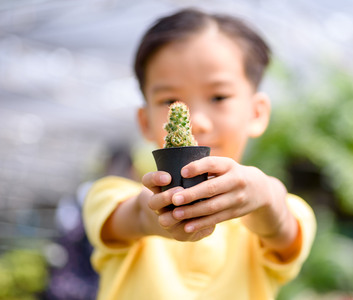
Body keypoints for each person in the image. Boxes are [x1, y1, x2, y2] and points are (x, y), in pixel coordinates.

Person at [83, 8, 316, 300]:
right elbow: (132, 216)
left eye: (219, 97)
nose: (198, 122)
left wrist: (264, 195)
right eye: (169, 100)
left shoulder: (277, 208)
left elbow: (281, 226)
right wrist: (158, 212)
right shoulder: (109, 195)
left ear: (257, 113)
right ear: (144, 121)